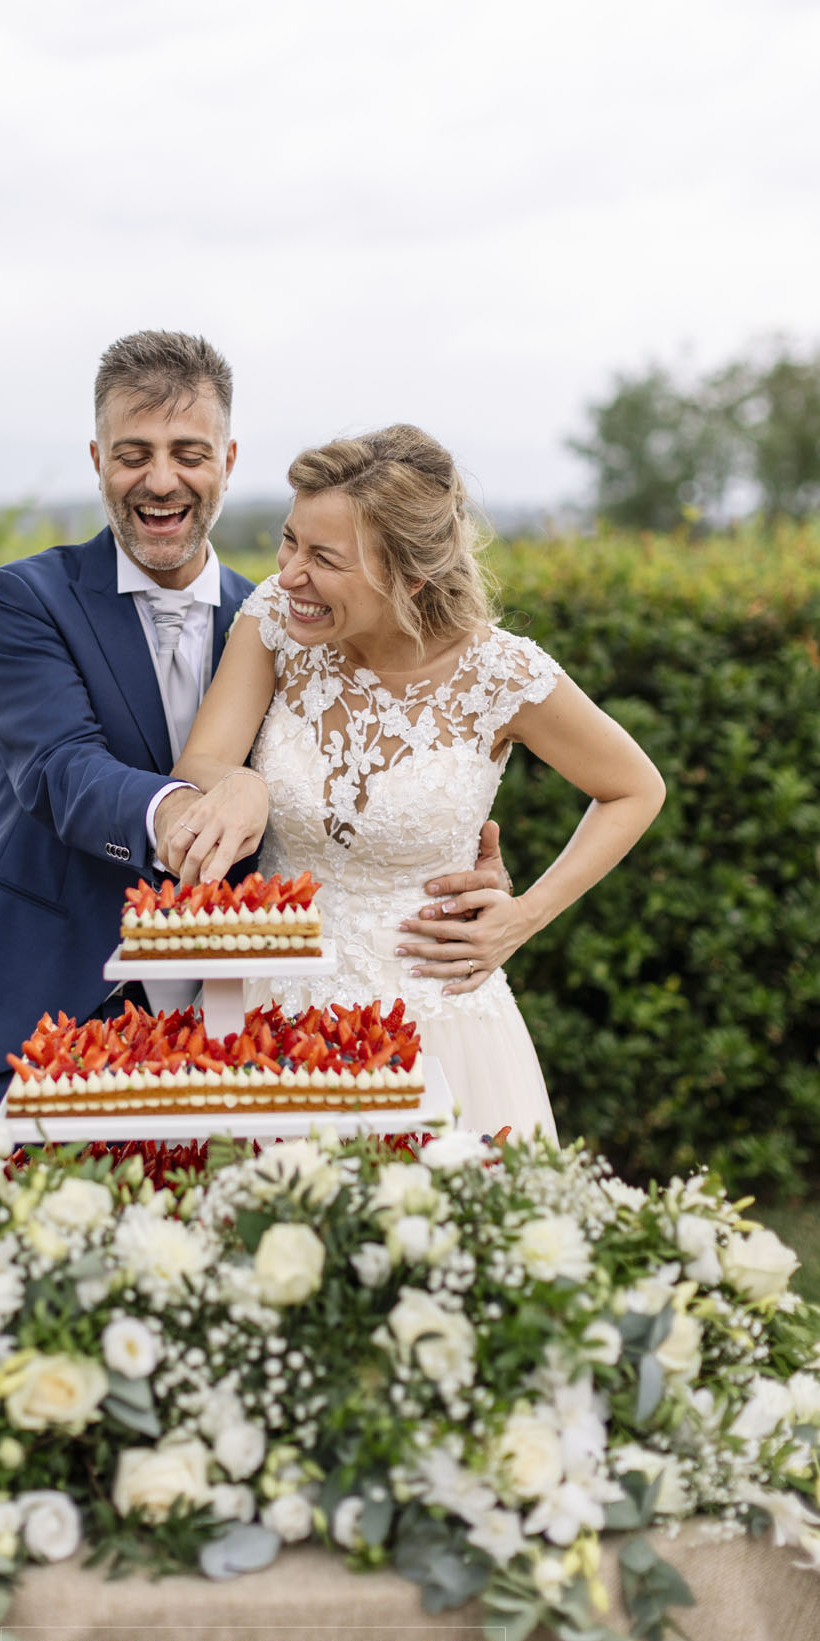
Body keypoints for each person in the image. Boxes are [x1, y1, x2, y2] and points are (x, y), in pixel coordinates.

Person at [0, 332, 513, 1120]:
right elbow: (59, 768)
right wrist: (209, 802)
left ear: (228, 458)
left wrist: (455, 870)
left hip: (248, 1031)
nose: (160, 480)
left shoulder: (295, 622)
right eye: (132, 453)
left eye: (188, 452)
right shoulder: (22, 598)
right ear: (96, 459)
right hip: (38, 1012)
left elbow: (367, 780)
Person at [160, 425, 667, 1141]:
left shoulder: (502, 676)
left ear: (410, 576)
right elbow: (200, 768)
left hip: (439, 1023)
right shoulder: (274, 622)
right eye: (290, 539)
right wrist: (243, 785)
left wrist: (525, 918)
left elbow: (634, 788)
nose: (290, 571)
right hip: (269, 1017)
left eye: (324, 558)